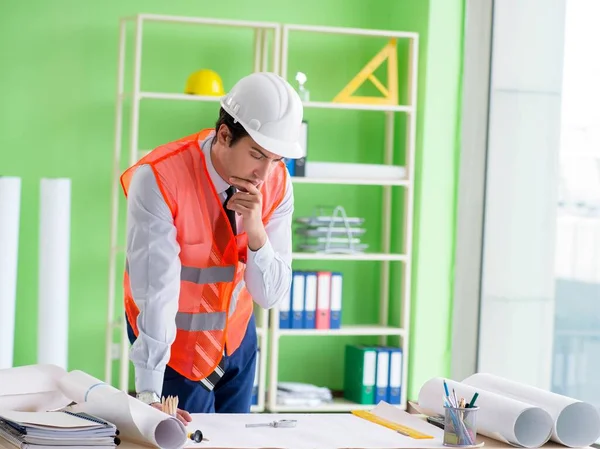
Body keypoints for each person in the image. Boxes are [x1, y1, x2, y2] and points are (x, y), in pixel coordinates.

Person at [120, 72, 304, 422]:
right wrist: (148, 393)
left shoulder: (277, 184)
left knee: (236, 441)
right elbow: (155, 289)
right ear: (223, 135)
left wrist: (256, 233)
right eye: (257, 155)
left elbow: (272, 296)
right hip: (174, 347)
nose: (264, 173)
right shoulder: (160, 179)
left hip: (236, 342)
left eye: (276, 159)